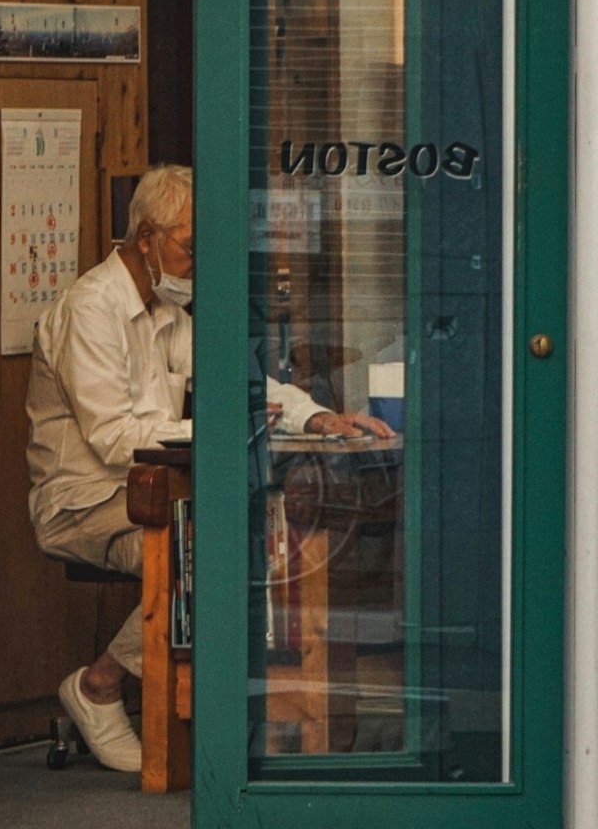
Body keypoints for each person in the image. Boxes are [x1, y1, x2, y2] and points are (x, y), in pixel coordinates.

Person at [25, 163, 392, 772]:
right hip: (83, 500)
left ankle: (190, 701)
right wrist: (219, 427)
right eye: (190, 247)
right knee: (207, 556)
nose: (197, 261)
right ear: (146, 238)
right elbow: (114, 437)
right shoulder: (90, 310)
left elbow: (247, 387)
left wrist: (315, 417)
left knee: (244, 546)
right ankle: (100, 686)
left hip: (160, 492)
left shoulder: (169, 312)